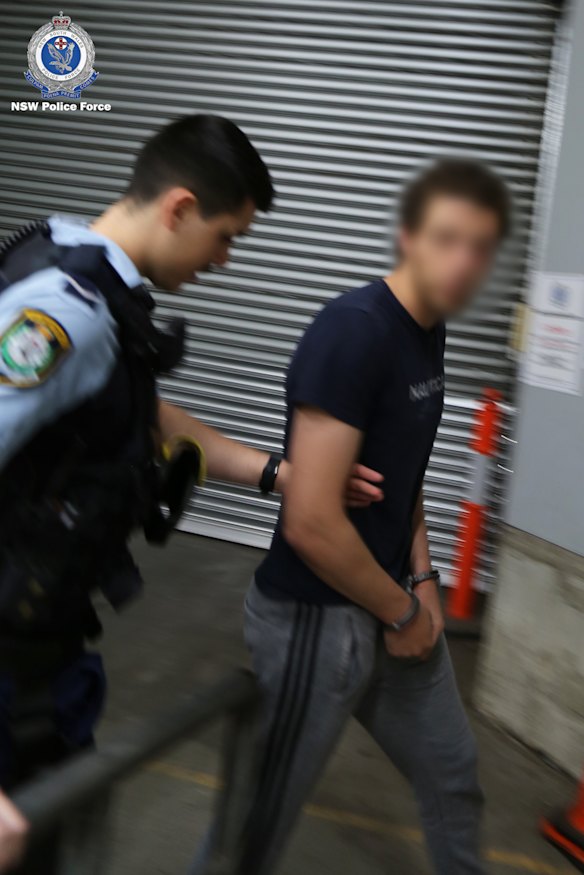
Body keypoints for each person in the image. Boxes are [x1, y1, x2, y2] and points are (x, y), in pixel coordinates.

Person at [0, 113, 379, 872]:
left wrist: (280, 474)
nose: (225, 260)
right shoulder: (67, 310)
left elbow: (140, 416)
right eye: (226, 236)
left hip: (43, 654)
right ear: (179, 207)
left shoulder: (80, 268)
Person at [194, 158, 512, 875]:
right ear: (409, 237)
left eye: (481, 247)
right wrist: (402, 613)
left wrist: (423, 579)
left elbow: (405, 475)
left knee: (454, 775)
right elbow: (310, 522)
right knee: (251, 834)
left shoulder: (428, 331)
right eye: (448, 239)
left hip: (393, 597)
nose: (464, 262)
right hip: (316, 618)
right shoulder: (354, 331)